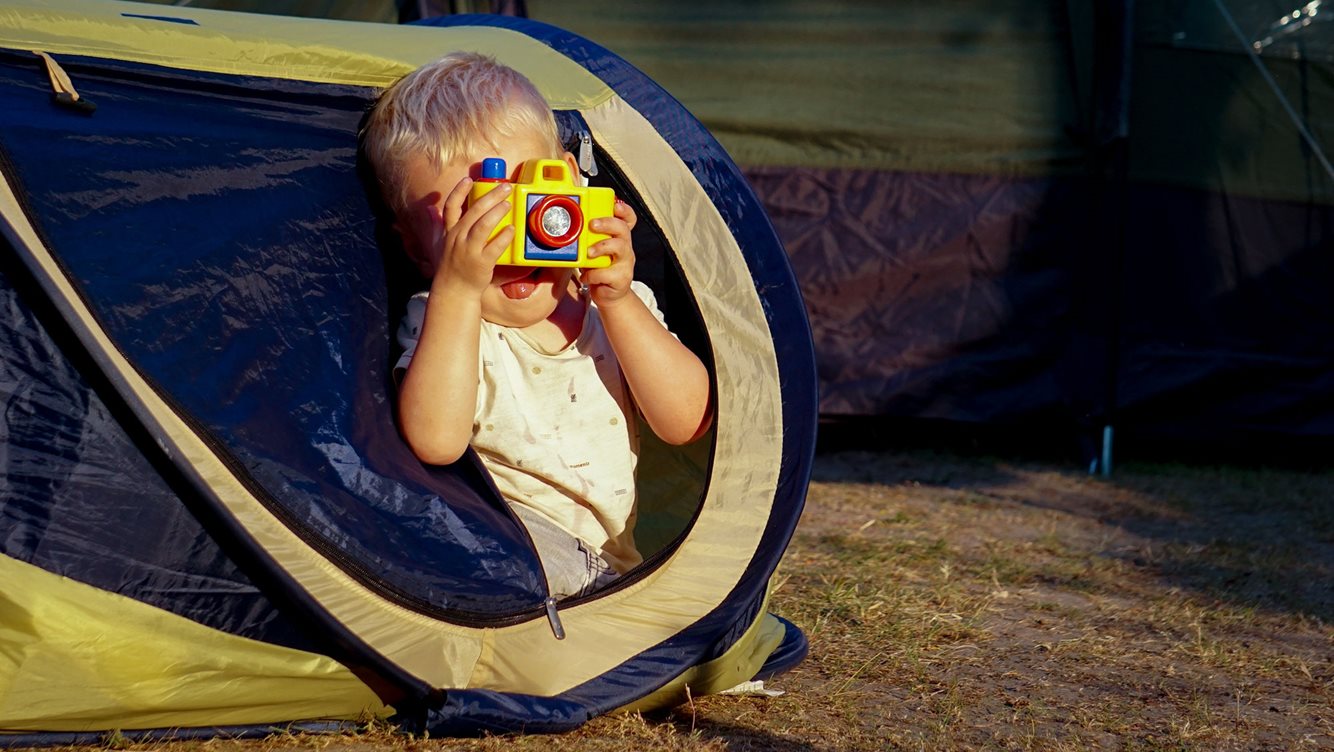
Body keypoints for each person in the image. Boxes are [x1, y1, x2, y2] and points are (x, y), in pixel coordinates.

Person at [361, 52, 712, 600]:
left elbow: (686, 421)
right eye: (470, 224)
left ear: (569, 186)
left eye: (527, 208)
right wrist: (458, 288)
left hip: (606, 574)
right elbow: (435, 441)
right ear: (416, 247)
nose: (505, 249)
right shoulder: (445, 320)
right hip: (503, 566)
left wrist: (617, 299)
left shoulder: (611, 308)